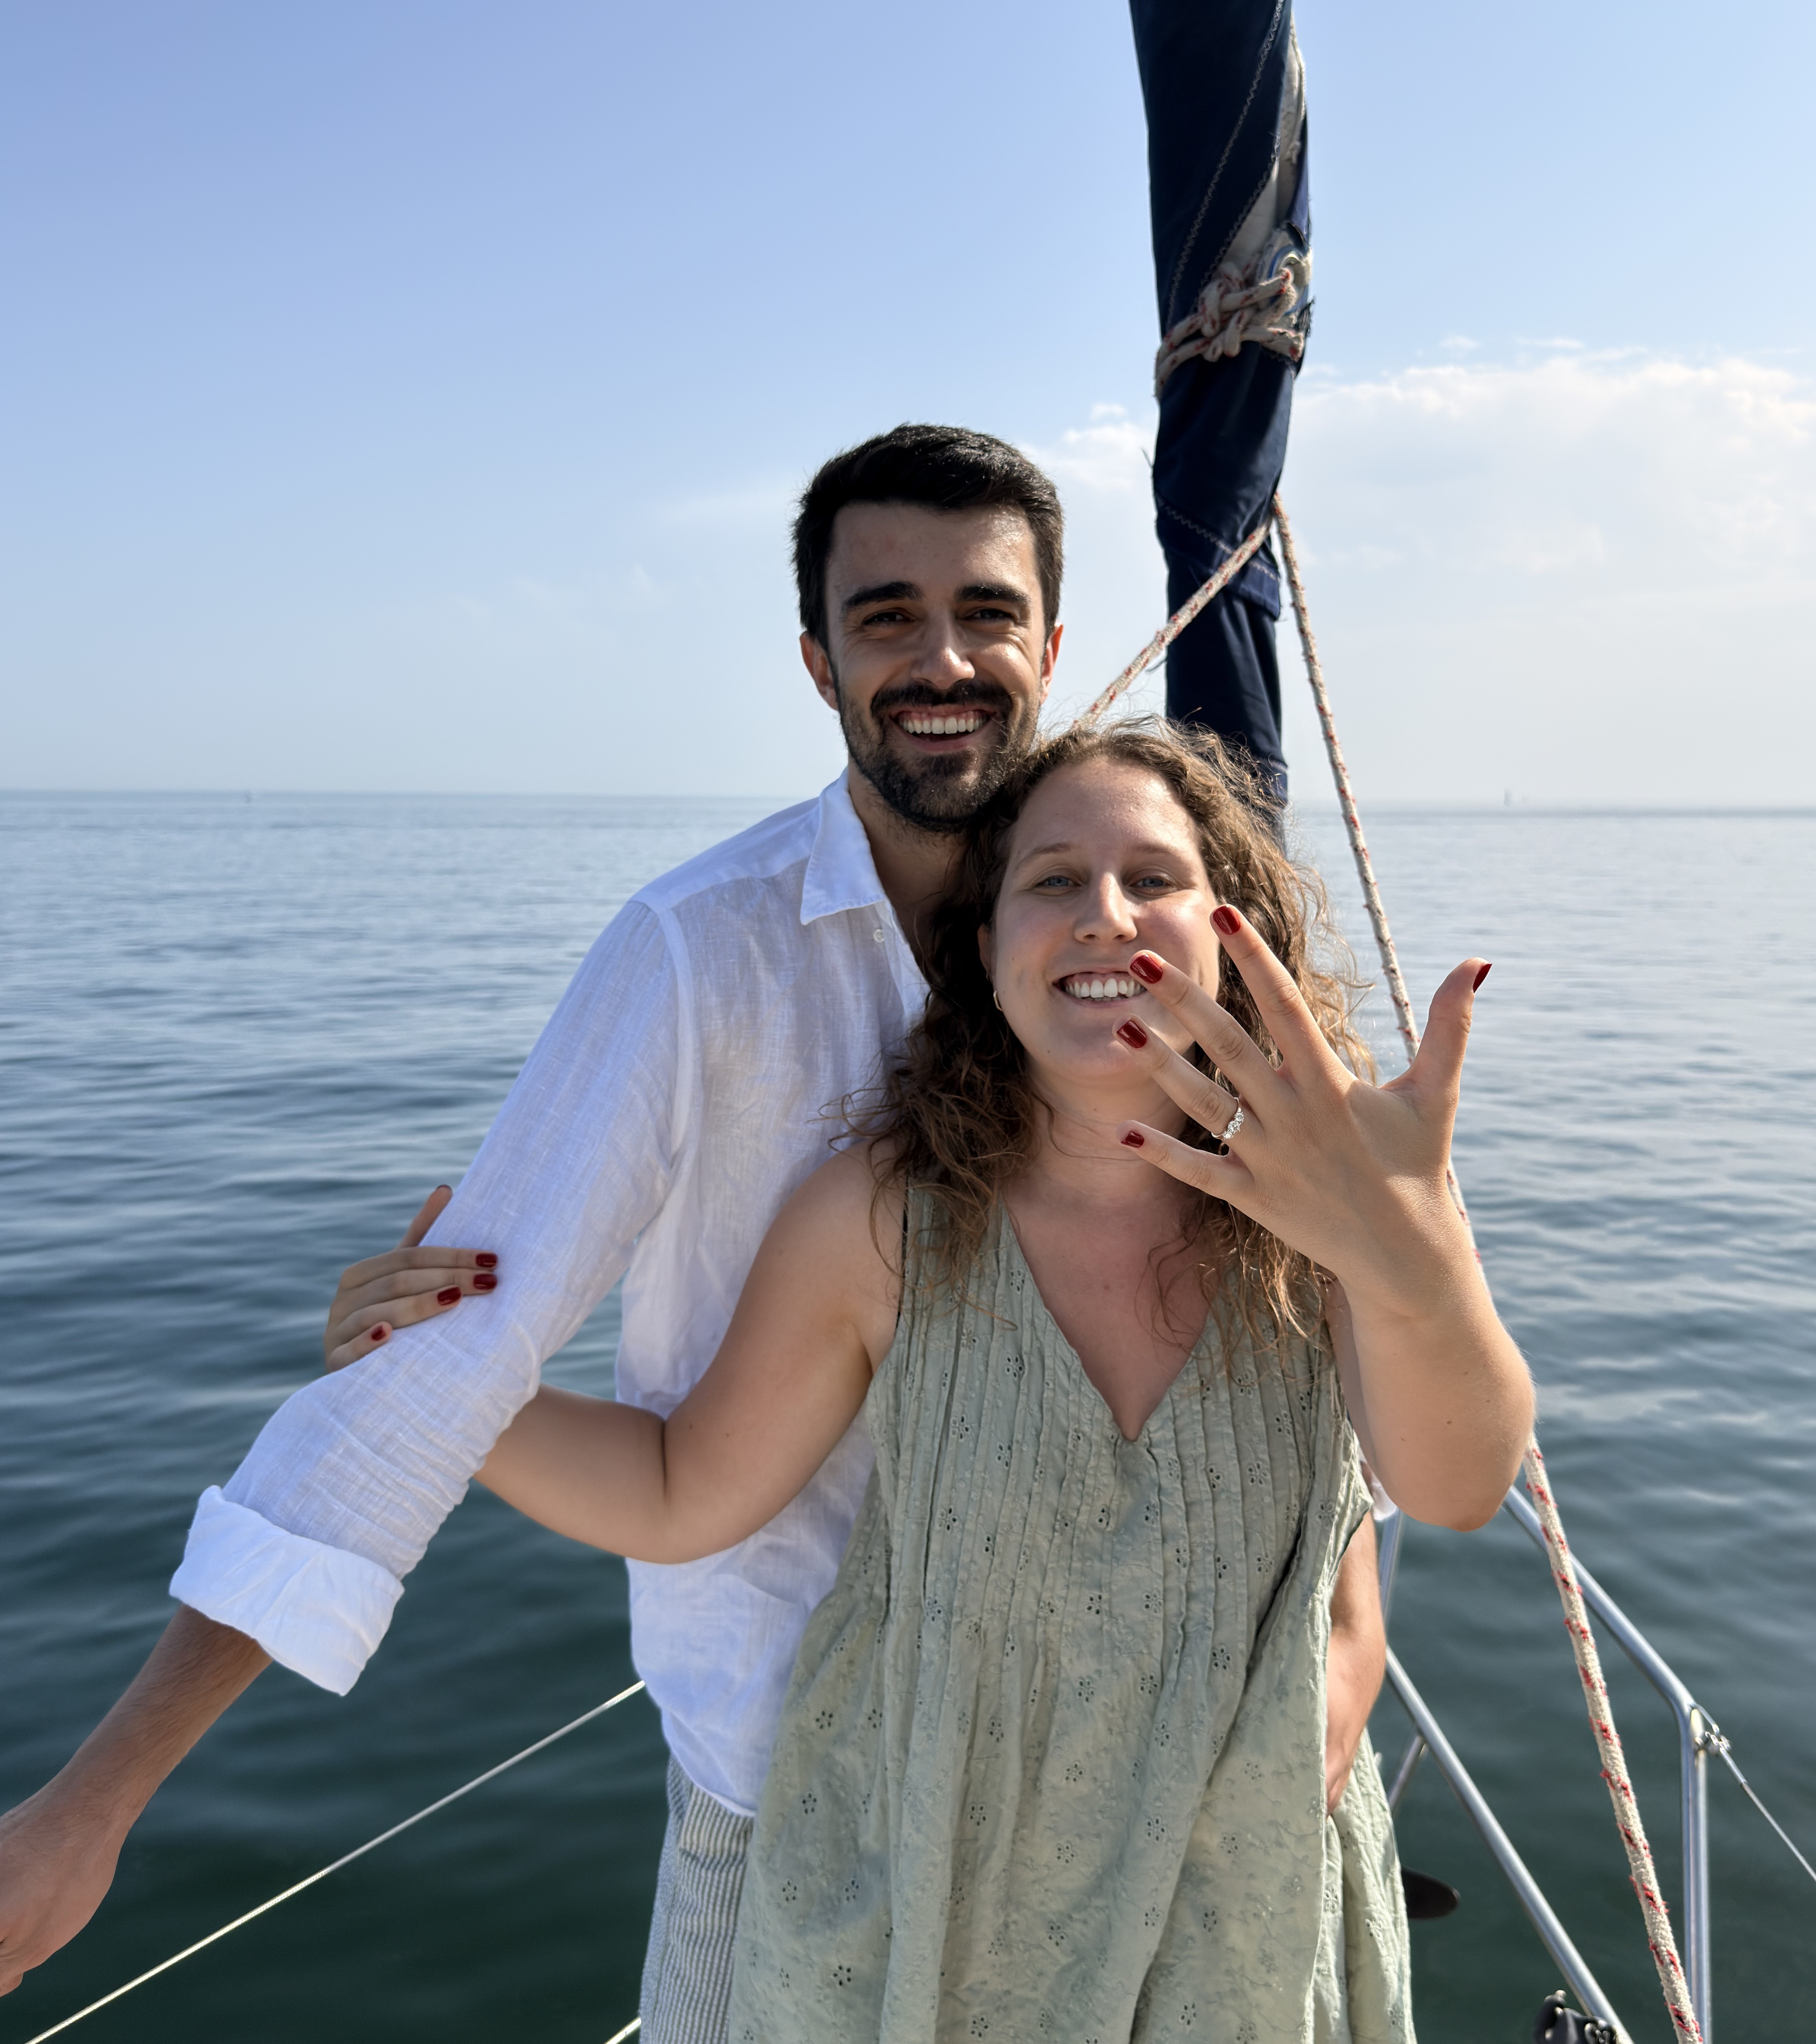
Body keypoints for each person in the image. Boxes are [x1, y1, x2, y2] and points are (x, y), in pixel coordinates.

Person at [0, 424, 1393, 2038]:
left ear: (1053, 647)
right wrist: (94, 1799)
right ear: (815, 659)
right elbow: (446, 1380)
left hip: (1161, 1794)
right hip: (788, 1784)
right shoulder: (692, 961)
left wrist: (1340, 1642)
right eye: (885, 616)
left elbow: (1290, 1371)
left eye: (988, 613)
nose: (943, 659)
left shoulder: (1179, 961)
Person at [459, 719, 1531, 2040]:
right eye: (1053, 880)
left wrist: (1408, 1251)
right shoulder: (882, 1219)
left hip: (1243, 1916)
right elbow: (683, 1489)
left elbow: (1459, 1479)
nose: (1103, 913)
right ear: (983, 950)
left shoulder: (1337, 1200)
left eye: (1151, 878)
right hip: (923, 1909)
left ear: (1229, 930)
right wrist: (443, 1387)